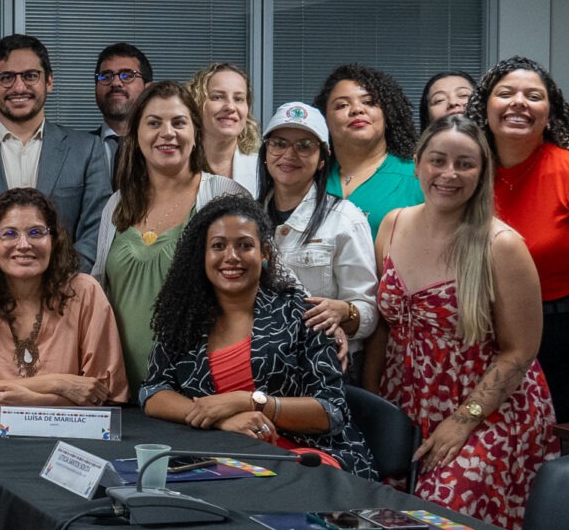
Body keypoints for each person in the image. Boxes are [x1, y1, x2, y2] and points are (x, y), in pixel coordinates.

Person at [363, 114, 558, 529]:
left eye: (465, 164)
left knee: (439, 515)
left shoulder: (501, 246)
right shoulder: (392, 225)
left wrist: (463, 419)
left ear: (483, 172)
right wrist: (369, 403)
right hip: (406, 401)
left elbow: (520, 352)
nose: (449, 174)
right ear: (417, 164)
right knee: (378, 514)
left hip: (487, 408)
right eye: (438, 160)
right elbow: (383, 327)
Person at [139, 196, 369, 472]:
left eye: (245, 245)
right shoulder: (184, 319)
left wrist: (250, 402)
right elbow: (153, 391)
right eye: (218, 246)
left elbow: (331, 412)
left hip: (307, 458)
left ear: (266, 253)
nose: (231, 256)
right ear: (203, 255)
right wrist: (219, 419)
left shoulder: (301, 315)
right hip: (221, 456)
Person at [479, 57, 569, 421]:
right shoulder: (467, 173)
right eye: (506, 93)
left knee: (548, 455)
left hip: (562, 341)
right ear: (484, 108)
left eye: (533, 96)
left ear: (550, 113)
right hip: (480, 333)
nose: (519, 102)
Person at [94, 80, 241, 393]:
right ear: (135, 134)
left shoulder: (223, 196)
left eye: (179, 122)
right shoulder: (117, 204)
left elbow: (269, 279)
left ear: (196, 132)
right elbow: (99, 291)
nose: (167, 133)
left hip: (199, 390)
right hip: (123, 390)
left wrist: (337, 317)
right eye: (153, 123)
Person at [0, 189, 126, 408]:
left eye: (36, 233)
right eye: (9, 234)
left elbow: (98, 392)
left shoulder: (85, 292)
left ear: (54, 240)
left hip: (72, 434)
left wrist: (28, 399)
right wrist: (59, 383)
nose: (24, 244)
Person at [0, 35, 112, 273]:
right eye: (6, 78)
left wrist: (59, 286)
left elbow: (96, 231)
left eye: (30, 76)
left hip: (67, 296)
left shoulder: (86, 149)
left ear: (49, 81)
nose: (19, 87)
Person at [255, 102, 378, 360]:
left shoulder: (345, 219)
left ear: (323, 159)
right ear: (265, 152)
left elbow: (369, 312)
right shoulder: (246, 218)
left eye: (304, 146)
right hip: (258, 362)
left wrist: (344, 312)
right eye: (279, 143)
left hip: (321, 364)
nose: (289, 154)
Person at [316, 63, 424, 237]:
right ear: (324, 118)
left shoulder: (417, 175)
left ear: (388, 115)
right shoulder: (312, 177)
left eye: (369, 102)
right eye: (342, 105)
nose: (357, 109)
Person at [187, 61, 263, 192]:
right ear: (196, 105)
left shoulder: (263, 170)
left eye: (238, 99)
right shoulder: (176, 166)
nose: (230, 107)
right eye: (218, 97)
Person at [92, 43, 152, 169]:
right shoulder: (76, 150)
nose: (115, 83)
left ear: (148, 89)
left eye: (127, 76)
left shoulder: (161, 147)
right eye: (106, 76)